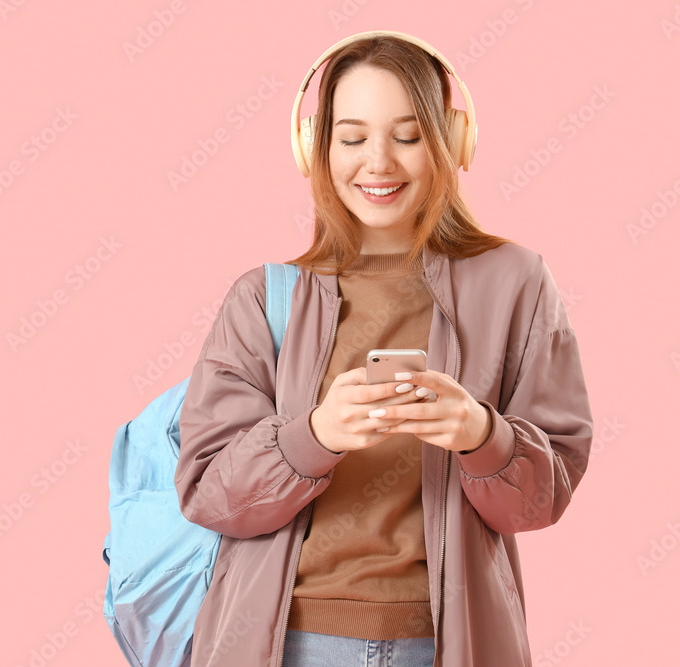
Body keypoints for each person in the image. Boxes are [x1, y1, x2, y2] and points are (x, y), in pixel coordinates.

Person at [174, 31, 593, 667]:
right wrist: (314, 435)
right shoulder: (263, 298)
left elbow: (541, 500)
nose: (379, 163)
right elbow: (209, 493)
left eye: (407, 135)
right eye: (352, 137)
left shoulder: (517, 283)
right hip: (286, 643)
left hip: (450, 643)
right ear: (315, 149)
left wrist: (483, 436)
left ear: (451, 142)